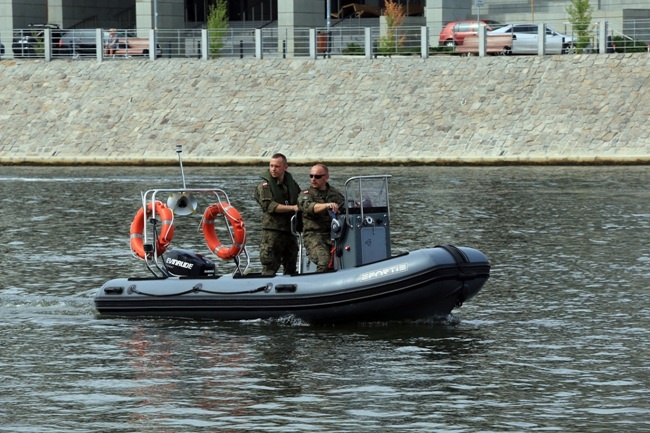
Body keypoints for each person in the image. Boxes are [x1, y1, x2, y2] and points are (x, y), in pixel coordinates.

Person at [254, 153, 302, 276]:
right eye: (271, 166)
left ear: (285, 167)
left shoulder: (291, 184)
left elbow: (300, 198)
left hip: (289, 231)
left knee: (291, 264)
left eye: (277, 166)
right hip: (273, 232)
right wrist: (292, 208)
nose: (273, 169)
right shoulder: (264, 187)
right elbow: (269, 206)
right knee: (270, 265)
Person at [298, 164, 345, 272]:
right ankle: (317, 284)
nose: (313, 179)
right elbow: (310, 207)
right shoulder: (305, 194)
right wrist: (327, 205)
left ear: (326, 177)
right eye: (311, 176)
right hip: (314, 235)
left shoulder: (334, 193)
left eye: (317, 177)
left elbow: (344, 207)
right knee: (324, 260)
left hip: (334, 234)